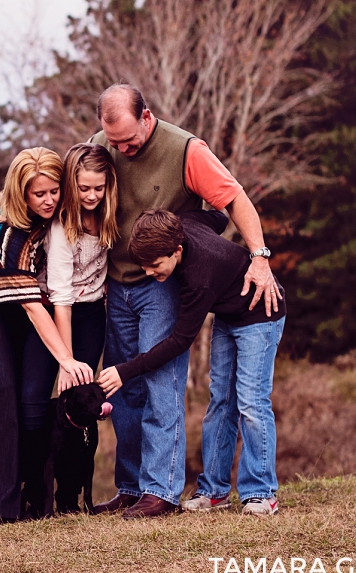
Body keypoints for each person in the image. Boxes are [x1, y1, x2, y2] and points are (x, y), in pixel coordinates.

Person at [90, 84, 282, 519]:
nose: (121, 149)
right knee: (125, 390)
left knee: (162, 382)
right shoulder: (101, 146)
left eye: (128, 140)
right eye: (113, 141)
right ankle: (132, 486)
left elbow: (231, 201)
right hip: (115, 284)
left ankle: (162, 490)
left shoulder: (185, 150)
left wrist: (259, 257)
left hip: (162, 283)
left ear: (146, 117)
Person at [98, 209, 286, 516]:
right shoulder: (183, 224)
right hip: (230, 315)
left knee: (251, 403)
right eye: (144, 266)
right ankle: (213, 492)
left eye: (155, 266)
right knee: (220, 401)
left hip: (261, 314)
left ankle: (261, 493)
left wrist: (124, 371)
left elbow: (179, 342)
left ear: (177, 250)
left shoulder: (199, 277)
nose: (149, 273)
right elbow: (218, 219)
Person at [0, 147, 93, 525]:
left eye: (54, 191)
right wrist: (66, 358)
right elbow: (32, 307)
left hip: (14, 304)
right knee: (0, 390)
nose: (49, 200)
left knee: (17, 398)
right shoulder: (6, 233)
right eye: (39, 194)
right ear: (21, 194)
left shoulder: (48, 216)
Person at [45, 143, 120, 393]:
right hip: (58, 310)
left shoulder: (108, 215)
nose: (91, 195)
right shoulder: (62, 226)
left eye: (99, 188)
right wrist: (66, 361)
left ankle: (85, 433)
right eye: (83, 188)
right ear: (71, 186)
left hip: (93, 311)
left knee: (83, 389)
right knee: (54, 386)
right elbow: (61, 298)